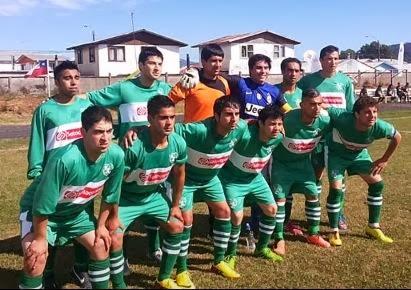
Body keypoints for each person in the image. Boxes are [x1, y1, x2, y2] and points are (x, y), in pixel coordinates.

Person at [19, 106, 125, 289]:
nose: (105, 138)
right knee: (35, 259)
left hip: (75, 214)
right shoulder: (65, 160)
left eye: (109, 131)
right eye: (98, 132)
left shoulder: (116, 155)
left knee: (101, 245)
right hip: (39, 214)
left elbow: (111, 195)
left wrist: (101, 226)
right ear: (83, 132)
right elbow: (42, 205)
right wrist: (39, 238)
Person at [86, 47, 171, 269]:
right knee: (119, 203)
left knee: (155, 197)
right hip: (130, 156)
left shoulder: (166, 88)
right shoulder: (124, 89)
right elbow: (91, 99)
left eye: (160, 64)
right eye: (151, 63)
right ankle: (119, 255)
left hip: (157, 155)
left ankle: (155, 248)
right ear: (141, 66)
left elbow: (188, 96)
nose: (156, 67)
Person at [19, 61, 93, 288]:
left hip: (82, 177)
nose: (73, 82)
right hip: (54, 179)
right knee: (49, 222)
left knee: (84, 220)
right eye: (67, 78)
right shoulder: (45, 110)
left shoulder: (86, 106)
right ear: (57, 81)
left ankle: (80, 269)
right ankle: (48, 272)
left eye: (76, 77)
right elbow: (38, 142)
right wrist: (37, 169)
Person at [109, 95, 187, 289]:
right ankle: (120, 284)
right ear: (150, 119)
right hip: (126, 198)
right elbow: (114, 183)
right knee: (114, 236)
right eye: (163, 118)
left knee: (177, 225)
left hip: (153, 196)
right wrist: (113, 213)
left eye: (172, 117)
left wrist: (175, 205)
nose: (169, 122)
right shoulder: (134, 147)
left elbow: (179, 175)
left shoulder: (177, 143)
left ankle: (164, 278)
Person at [326, 96, 401, 246]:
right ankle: (334, 231)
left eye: (374, 112)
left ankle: (373, 227)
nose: (372, 116)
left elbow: (397, 137)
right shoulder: (342, 117)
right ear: (356, 114)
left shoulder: (380, 126)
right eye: (367, 112)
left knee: (377, 184)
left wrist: (384, 159)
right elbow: (323, 110)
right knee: (336, 190)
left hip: (359, 156)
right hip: (336, 155)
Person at [219, 105, 285, 270]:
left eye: (279, 124)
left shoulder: (278, 137)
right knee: (236, 216)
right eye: (271, 124)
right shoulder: (244, 134)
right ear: (260, 123)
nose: (276, 128)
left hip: (255, 178)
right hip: (232, 180)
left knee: (271, 209)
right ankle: (230, 254)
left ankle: (261, 248)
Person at [298, 45, 355, 231]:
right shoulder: (308, 81)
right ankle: (313, 211)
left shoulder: (345, 81)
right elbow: (295, 98)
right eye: (329, 58)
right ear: (321, 60)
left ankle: (338, 213)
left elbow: (350, 111)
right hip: (316, 137)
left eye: (336, 58)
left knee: (338, 179)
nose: (333, 62)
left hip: (338, 137)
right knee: (315, 175)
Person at [271, 89, 332, 255]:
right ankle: (279, 238)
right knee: (280, 199)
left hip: (304, 165)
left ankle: (313, 234)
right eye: (312, 104)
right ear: (301, 104)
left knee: (313, 194)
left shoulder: (325, 120)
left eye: (319, 104)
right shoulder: (287, 119)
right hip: (282, 166)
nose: (317, 108)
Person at [274, 57, 304, 236]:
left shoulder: (304, 94)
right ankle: (268, 219)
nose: (293, 74)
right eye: (289, 70)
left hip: (296, 149)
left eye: (296, 71)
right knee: (273, 186)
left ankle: (285, 221)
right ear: (283, 71)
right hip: (275, 147)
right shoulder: (274, 91)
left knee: (289, 187)